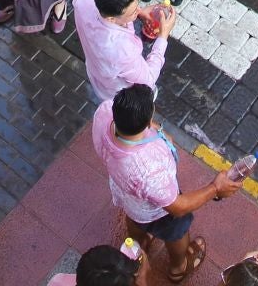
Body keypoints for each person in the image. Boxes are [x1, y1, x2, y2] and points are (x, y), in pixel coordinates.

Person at [92, 84, 238, 282]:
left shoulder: (104, 113)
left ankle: (139, 243)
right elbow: (178, 207)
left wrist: (148, 127)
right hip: (157, 210)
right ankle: (179, 267)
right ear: (146, 121)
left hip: (128, 199)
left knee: (135, 220)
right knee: (177, 231)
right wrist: (215, 188)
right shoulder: (147, 169)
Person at [73, 0, 170, 104]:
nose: (137, 12)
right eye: (132, 12)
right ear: (111, 19)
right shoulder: (122, 50)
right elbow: (149, 79)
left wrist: (138, 12)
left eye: (137, 6)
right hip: (118, 93)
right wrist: (163, 37)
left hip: (96, 73)